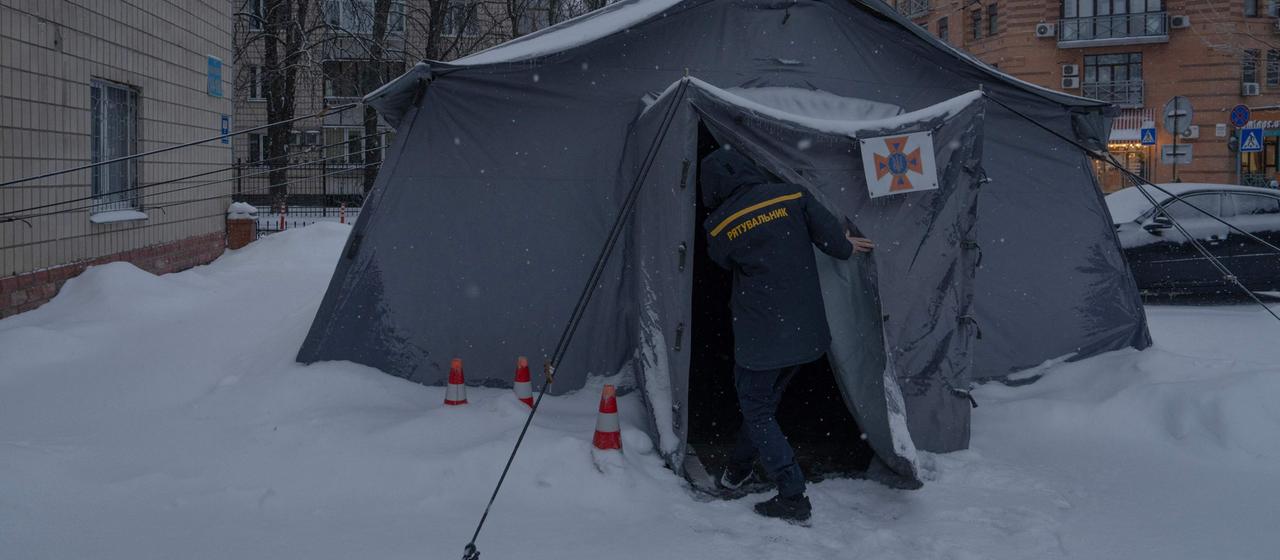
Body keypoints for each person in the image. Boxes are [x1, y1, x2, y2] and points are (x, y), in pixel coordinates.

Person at [700, 146, 873, 523]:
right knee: (762, 406)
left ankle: (792, 494)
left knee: (757, 409)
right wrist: (847, 244)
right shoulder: (793, 195)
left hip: (761, 335)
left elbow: (721, 261)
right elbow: (834, 243)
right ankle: (739, 468)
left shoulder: (718, 226)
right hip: (807, 332)